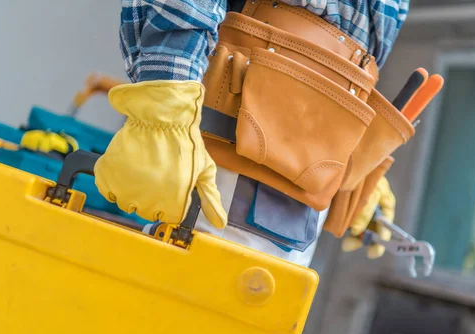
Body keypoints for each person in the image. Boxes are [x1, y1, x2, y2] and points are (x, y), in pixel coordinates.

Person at [94, 0, 411, 267]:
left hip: (299, 190)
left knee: (256, 325)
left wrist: (348, 159)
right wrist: (165, 98)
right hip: (229, 156)